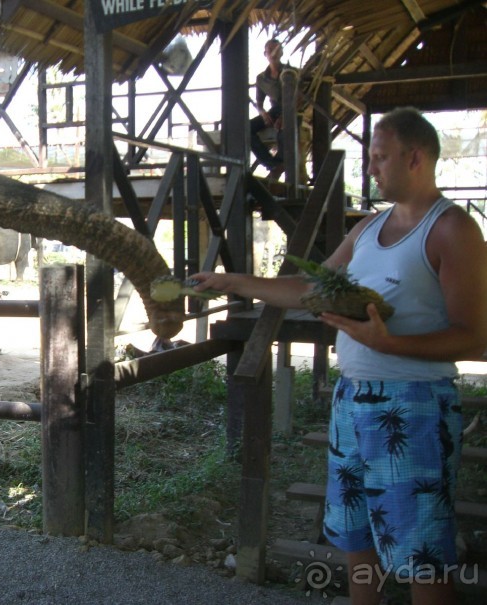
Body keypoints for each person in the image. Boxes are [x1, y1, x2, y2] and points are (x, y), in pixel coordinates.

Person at [192, 107, 487, 604]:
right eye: (369, 158)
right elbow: (312, 286)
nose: (370, 168)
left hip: (412, 405)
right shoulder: (368, 228)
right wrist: (235, 281)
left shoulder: (452, 229)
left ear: (415, 158)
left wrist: (390, 345)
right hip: (351, 402)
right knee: (355, 536)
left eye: (379, 157)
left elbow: (476, 337)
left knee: (422, 555)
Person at [250, 39, 293, 180]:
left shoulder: (291, 72)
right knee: (246, 129)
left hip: (291, 110)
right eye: (270, 50)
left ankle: (282, 165)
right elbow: (259, 102)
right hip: (274, 111)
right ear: (265, 53)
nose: (273, 53)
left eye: (276, 49)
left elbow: (299, 98)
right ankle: (272, 164)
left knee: (283, 131)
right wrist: (263, 113)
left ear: (281, 52)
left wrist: (285, 116)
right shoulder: (261, 78)